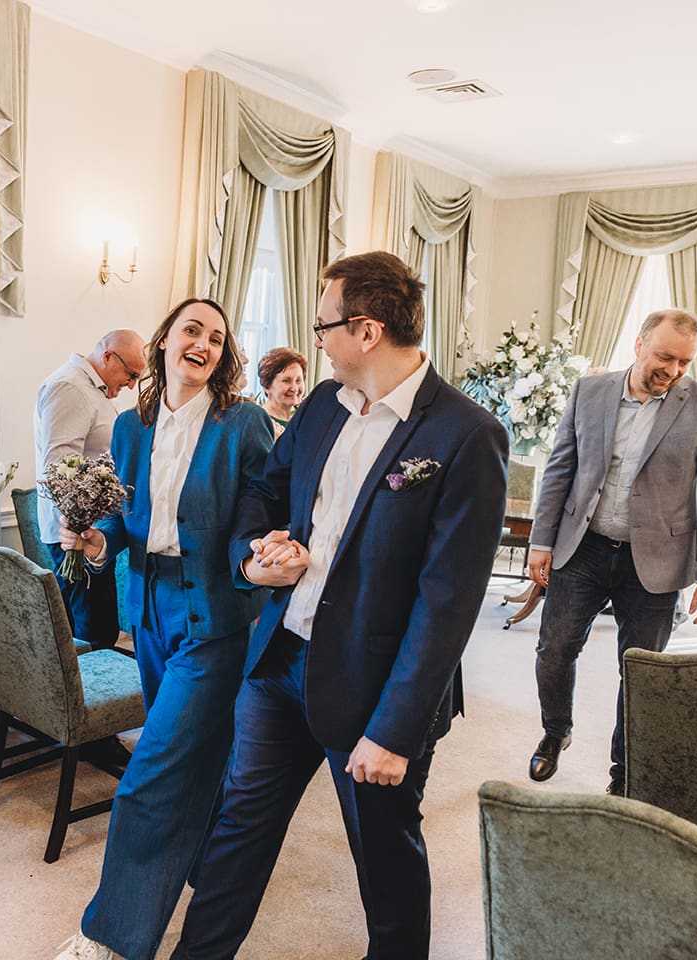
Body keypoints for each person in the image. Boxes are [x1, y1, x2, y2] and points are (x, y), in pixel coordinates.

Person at [170, 251, 508, 960]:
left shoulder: (466, 435)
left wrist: (395, 730)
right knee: (238, 828)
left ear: (366, 330)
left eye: (324, 325)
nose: (316, 339)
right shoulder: (323, 403)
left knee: (384, 857)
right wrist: (256, 553)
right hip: (280, 662)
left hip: (375, 689)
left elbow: (448, 602)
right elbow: (265, 490)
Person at [52, 299, 275, 960]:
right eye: (191, 330)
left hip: (215, 617)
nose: (202, 343)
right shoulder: (131, 426)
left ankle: (110, 937)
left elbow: (259, 513)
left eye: (216, 337)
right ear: (165, 343)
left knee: (149, 773)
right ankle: (208, 870)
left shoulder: (245, 424)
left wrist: (258, 557)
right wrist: (96, 540)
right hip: (150, 617)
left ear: (223, 355)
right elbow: (121, 520)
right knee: (195, 760)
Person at [526, 308, 697, 795]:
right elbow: (560, 468)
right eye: (665, 357)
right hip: (583, 547)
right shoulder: (588, 391)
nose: (674, 370)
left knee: (640, 671)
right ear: (639, 344)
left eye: (685, 362)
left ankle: (623, 775)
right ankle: (555, 731)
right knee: (554, 651)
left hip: (657, 560)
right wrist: (541, 540)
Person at [34, 329, 146, 649]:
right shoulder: (71, 388)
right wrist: (81, 527)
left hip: (92, 535)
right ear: (108, 356)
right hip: (77, 536)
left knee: (83, 631)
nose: (132, 385)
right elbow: (59, 470)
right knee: (94, 636)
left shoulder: (91, 390)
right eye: (131, 374)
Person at [256, 346, 307, 438]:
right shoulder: (260, 423)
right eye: (286, 381)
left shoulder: (301, 422)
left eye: (298, 380)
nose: (294, 388)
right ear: (267, 386)